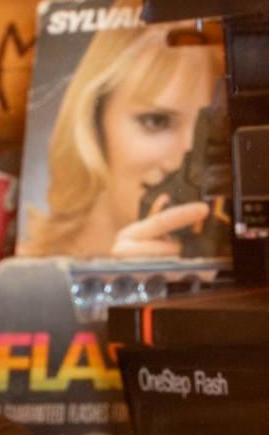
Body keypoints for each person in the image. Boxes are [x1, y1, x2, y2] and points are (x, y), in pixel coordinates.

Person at [17, 21, 224, 259]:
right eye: (156, 122)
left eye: (209, 130)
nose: (182, 160)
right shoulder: (28, 267)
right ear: (94, 123)